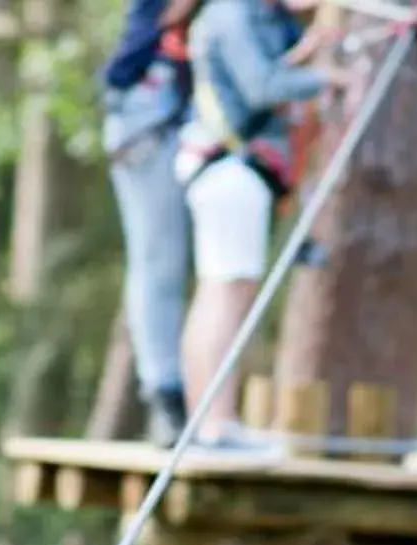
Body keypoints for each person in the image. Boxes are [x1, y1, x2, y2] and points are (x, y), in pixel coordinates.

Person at [174, 0, 329, 443]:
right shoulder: (234, 13)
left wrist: (298, 59)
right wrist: (326, 77)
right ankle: (218, 422)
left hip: (221, 171)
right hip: (231, 171)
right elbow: (261, 86)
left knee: (217, 294)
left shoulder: (234, 14)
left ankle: (209, 420)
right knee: (228, 297)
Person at [103, 0, 195, 443]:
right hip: (147, 115)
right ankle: (164, 390)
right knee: (159, 261)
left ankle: (182, 389)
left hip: (180, 115)